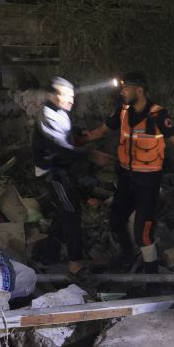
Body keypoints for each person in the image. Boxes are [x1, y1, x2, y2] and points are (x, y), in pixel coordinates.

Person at [84, 71, 174, 274]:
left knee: (143, 233)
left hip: (147, 183)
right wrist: (80, 140)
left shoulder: (158, 114)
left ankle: (152, 275)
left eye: (126, 88)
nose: (122, 91)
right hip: (125, 179)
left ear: (139, 89)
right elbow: (101, 132)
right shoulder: (122, 112)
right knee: (116, 220)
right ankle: (126, 255)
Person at [33, 77, 113, 280]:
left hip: (63, 170)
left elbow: (67, 134)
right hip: (52, 172)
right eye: (67, 96)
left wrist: (79, 133)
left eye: (72, 96)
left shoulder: (61, 112)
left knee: (64, 210)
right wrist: (90, 154)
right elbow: (59, 148)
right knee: (71, 211)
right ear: (53, 95)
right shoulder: (47, 116)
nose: (71, 101)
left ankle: (47, 254)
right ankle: (75, 264)